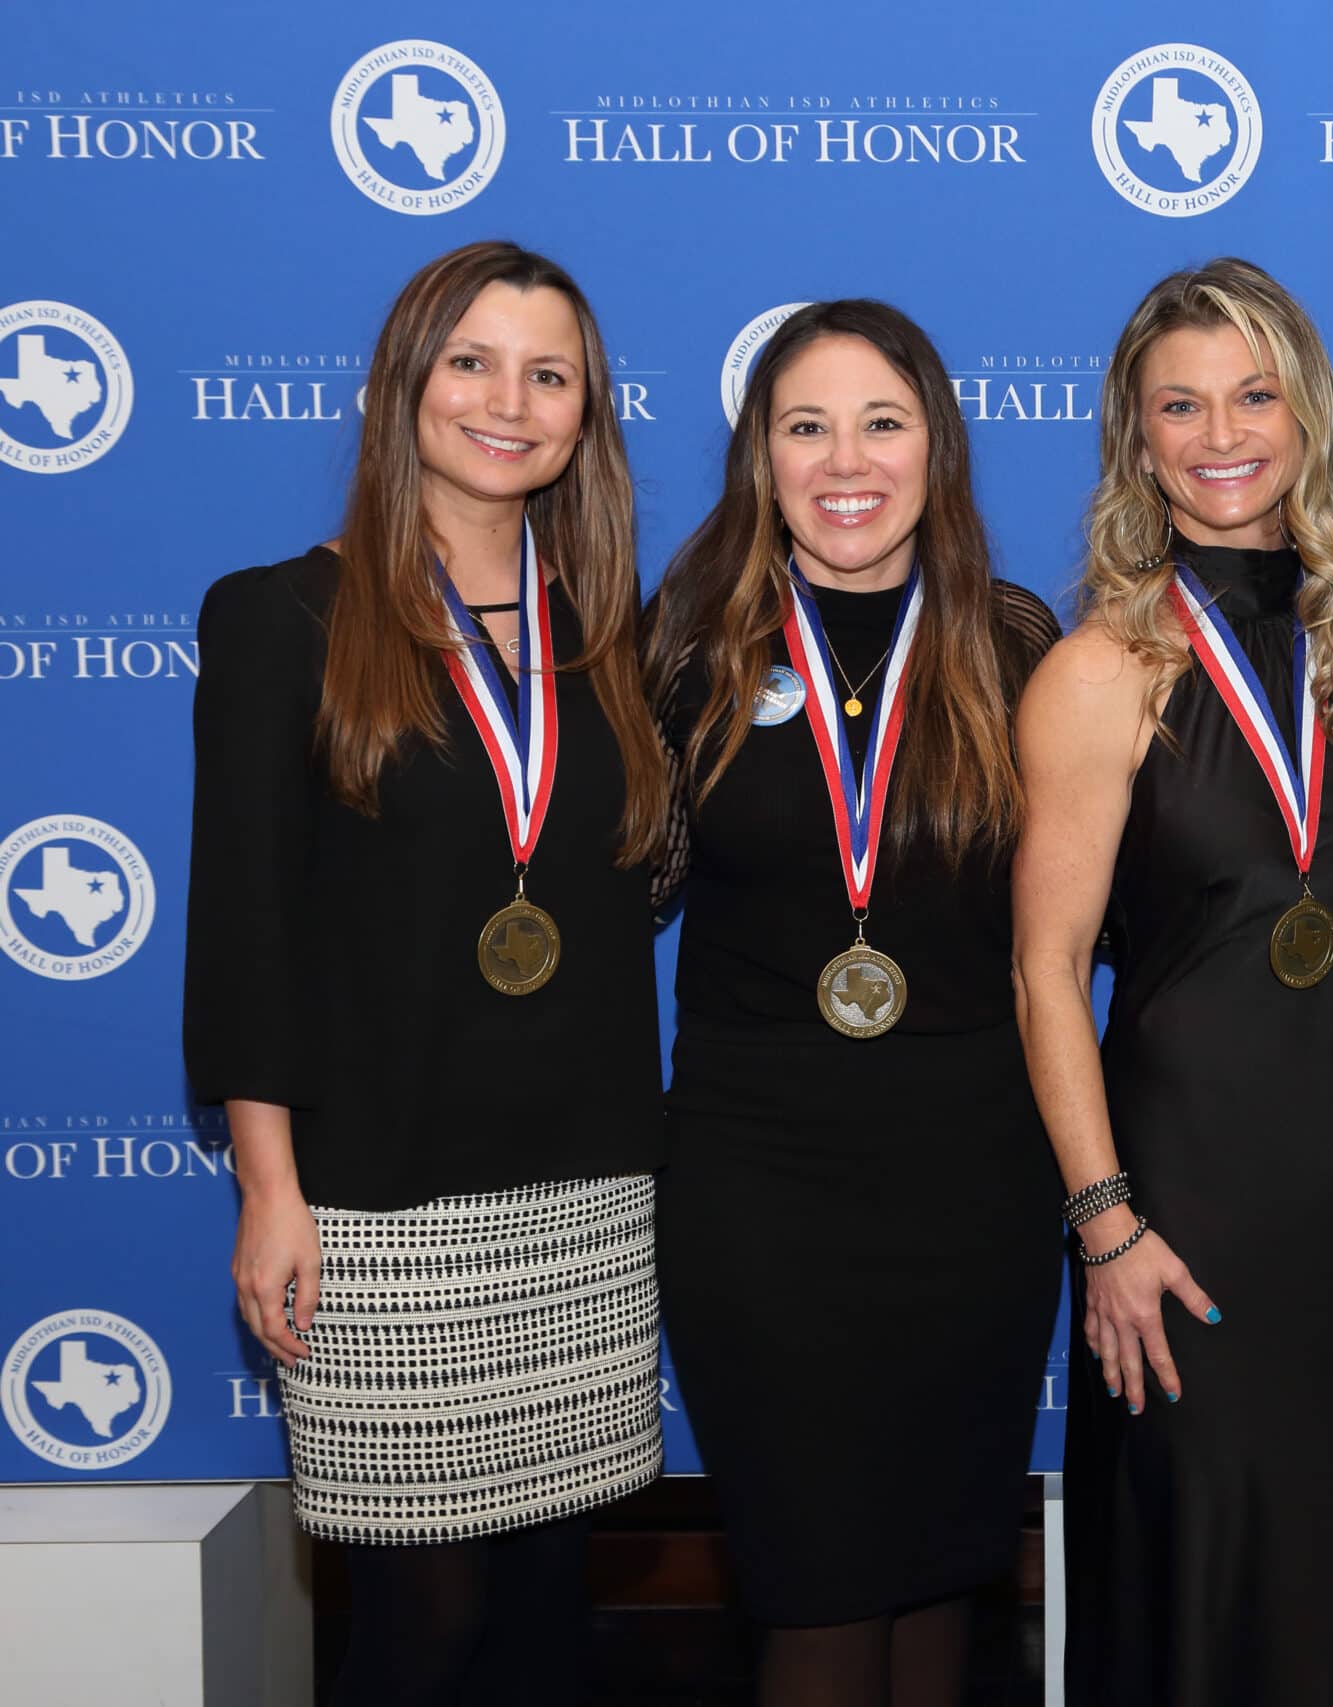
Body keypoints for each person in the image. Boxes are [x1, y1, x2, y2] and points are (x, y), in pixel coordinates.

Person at [185, 241, 668, 1707]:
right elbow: (246, 929)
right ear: (407, 383)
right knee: (421, 1629)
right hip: (379, 1203)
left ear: (587, 412)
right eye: (471, 361)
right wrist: (272, 1187)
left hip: (585, 1190)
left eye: (549, 374)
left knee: (543, 1624)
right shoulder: (278, 618)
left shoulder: (605, 635)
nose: (507, 402)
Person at [1011, 257, 1333, 1706]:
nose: (1220, 432)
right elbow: (1048, 973)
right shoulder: (1099, 670)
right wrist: (1107, 1225)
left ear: (1306, 414)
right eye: (1177, 404)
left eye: (1253, 394)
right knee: (1194, 1574)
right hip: (1178, 1198)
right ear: (1136, 435)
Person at [644, 300, 1062, 1707]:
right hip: (758, 1185)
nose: (846, 460)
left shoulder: (1015, 645)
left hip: (975, 1180)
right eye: (804, 425)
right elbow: (598, 890)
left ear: (936, 448)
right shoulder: (685, 647)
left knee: (945, 1579)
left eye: (882, 422)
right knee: (815, 1586)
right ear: (759, 457)